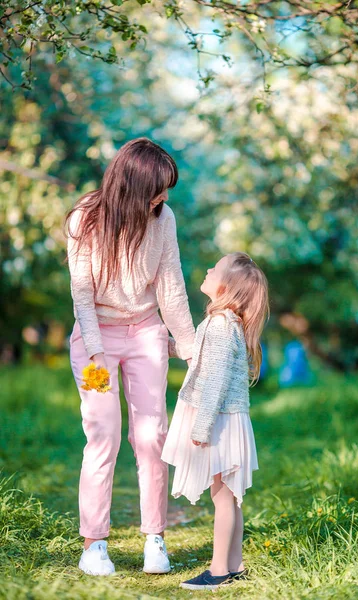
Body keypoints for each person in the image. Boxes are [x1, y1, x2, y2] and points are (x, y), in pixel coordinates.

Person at [66, 138, 195, 576]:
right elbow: (81, 292)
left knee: (151, 434)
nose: (163, 197)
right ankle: (94, 544)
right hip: (94, 340)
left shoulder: (164, 218)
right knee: (103, 434)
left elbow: (171, 288)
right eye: (158, 188)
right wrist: (97, 353)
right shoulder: (86, 217)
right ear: (134, 184)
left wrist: (189, 345)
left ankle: (154, 538)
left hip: (144, 334)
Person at [162, 252, 269, 590]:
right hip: (228, 418)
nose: (208, 269)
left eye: (215, 268)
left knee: (223, 497)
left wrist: (201, 426)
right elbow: (205, 360)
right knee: (229, 496)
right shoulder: (226, 323)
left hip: (219, 419)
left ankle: (219, 570)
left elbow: (216, 379)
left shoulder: (221, 324)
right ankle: (235, 564)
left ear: (227, 286)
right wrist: (174, 348)